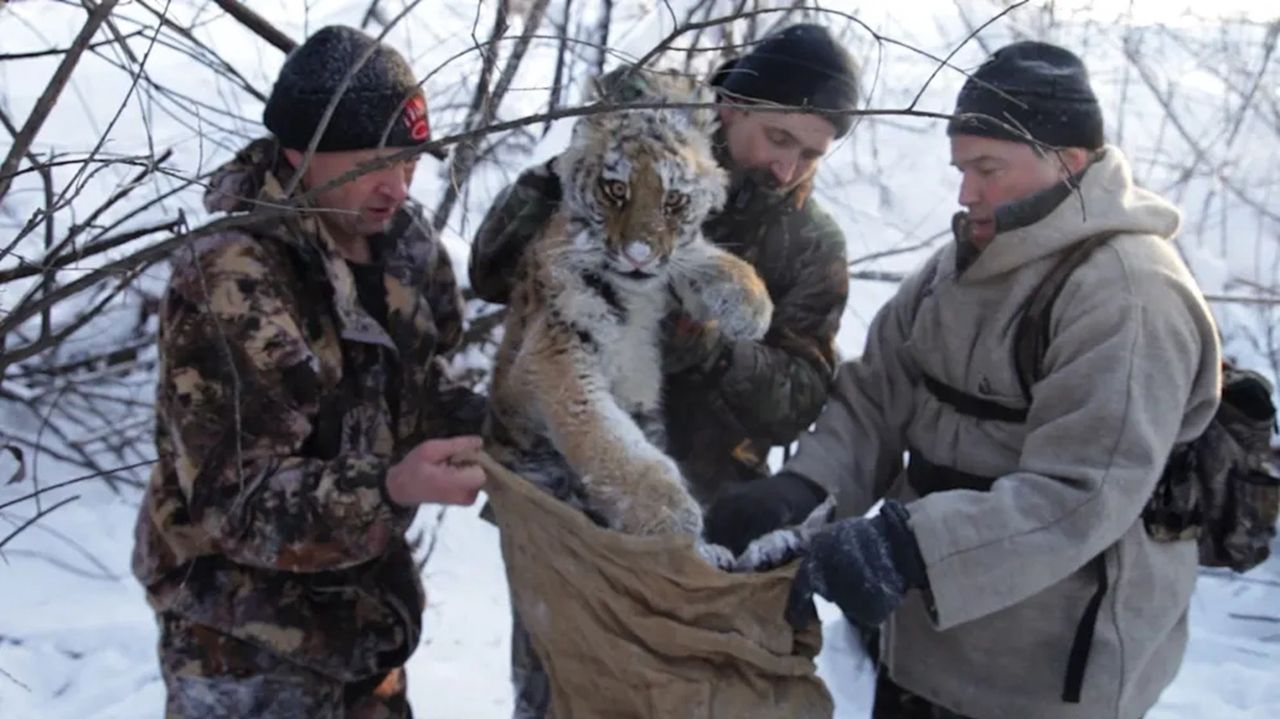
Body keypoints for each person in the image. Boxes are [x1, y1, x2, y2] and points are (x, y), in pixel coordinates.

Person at [706, 41, 1223, 719]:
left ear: (1068, 162)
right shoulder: (957, 267)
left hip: (1041, 678)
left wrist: (904, 545)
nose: (965, 191)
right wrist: (802, 489)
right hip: (923, 646)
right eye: (961, 168)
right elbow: (875, 399)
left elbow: (1082, 491)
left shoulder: (1128, 295)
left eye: (988, 169)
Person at [468, 23, 860, 718]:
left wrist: (709, 348)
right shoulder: (634, 149)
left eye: (810, 153)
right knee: (557, 694)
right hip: (564, 508)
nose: (787, 168)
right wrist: (581, 163)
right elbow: (491, 269)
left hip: (702, 525)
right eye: (778, 139)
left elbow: (797, 400)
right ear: (733, 107)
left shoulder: (810, 242)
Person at [131, 26, 486, 718]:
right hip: (241, 638)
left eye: (410, 159)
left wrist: (510, 428)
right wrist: (390, 486)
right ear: (300, 153)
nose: (399, 183)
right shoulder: (231, 277)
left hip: (366, 620)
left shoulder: (405, 246)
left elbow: (421, 388)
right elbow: (237, 503)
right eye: (375, 160)